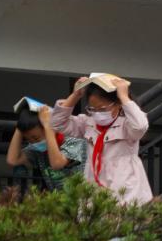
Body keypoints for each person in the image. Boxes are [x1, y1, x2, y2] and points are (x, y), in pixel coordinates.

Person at [51, 75, 152, 205]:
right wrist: (75, 95)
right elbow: (57, 123)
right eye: (92, 109)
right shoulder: (88, 122)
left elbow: (140, 126)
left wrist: (124, 96)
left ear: (117, 105)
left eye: (103, 109)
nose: (98, 113)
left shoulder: (127, 124)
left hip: (125, 190)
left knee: (123, 215)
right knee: (93, 215)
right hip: (94, 188)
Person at [6, 104, 87, 191]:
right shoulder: (37, 150)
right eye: (28, 140)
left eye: (36, 138)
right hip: (57, 198)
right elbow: (12, 160)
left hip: (82, 197)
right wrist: (20, 127)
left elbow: (57, 163)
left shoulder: (73, 139)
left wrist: (48, 126)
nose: (34, 143)